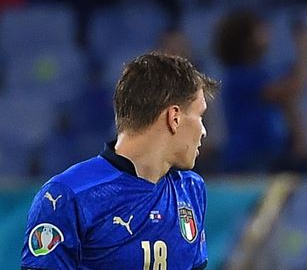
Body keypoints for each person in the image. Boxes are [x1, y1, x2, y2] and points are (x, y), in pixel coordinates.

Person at [21, 52, 219, 269]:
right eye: (200, 116)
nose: (203, 131)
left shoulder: (190, 190)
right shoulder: (65, 196)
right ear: (174, 117)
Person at [213, 9, 307, 173]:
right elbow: (289, 90)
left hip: (267, 154)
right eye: (260, 31)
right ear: (245, 39)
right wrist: (306, 54)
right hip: (249, 159)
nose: (267, 35)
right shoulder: (239, 75)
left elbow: (287, 100)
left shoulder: (260, 72)